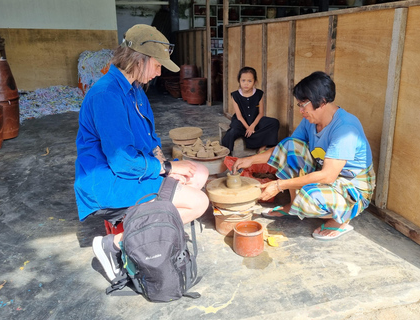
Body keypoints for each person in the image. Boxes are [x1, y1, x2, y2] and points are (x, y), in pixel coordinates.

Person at [74, 24, 210, 281]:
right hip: (109, 181)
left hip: (132, 168)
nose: (159, 72)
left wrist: (165, 166)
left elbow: (150, 141)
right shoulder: (106, 95)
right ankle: (114, 244)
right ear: (140, 59)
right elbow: (121, 160)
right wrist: (168, 170)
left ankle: (156, 231)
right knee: (199, 202)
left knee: (198, 172)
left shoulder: (136, 91)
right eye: (158, 65)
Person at [232, 71, 376, 241]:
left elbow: (328, 176)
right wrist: (250, 160)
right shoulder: (311, 121)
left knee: (309, 197)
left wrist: (279, 185)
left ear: (321, 102)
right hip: (326, 175)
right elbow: (284, 149)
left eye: (303, 105)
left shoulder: (345, 128)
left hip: (353, 187)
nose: (300, 111)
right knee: (290, 146)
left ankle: (342, 219)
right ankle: (292, 205)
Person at [221, 66, 279, 154]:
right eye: (243, 80)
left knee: (274, 122)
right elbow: (239, 116)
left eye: (249, 81)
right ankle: (227, 153)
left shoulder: (259, 94)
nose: (246, 84)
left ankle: (263, 146)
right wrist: (248, 128)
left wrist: (252, 126)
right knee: (233, 131)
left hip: (255, 120)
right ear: (239, 81)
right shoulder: (235, 95)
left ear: (255, 82)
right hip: (241, 121)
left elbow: (261, 113)